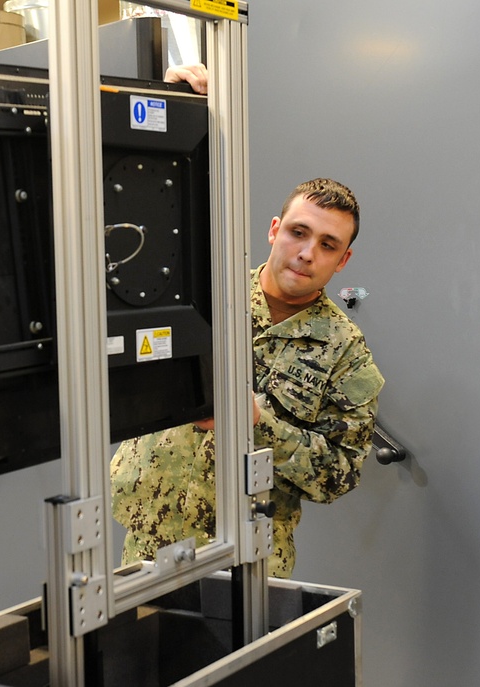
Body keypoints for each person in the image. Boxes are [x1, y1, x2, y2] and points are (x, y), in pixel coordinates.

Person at [111, 178, 385, 577]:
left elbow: (339, 474)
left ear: (343, 259)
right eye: (298, 232)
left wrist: (258, 425)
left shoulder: (346, 352)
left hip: (250, 558)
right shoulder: (202, 295)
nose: (307, 253)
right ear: (275, 230)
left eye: (327, 245)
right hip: (148, 532)